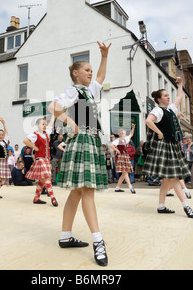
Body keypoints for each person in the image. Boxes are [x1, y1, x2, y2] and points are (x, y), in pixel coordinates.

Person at [48, 41, 111, 266]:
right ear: (76, 73)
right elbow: (52, 107)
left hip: (91, 139)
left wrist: (104, 56)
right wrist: (70, 122)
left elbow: (101, 78)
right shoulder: (73, 90)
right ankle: (98, 241)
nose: (91, 73)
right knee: (87, 191)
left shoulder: (90, 89)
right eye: (87, 70)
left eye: (91, 70)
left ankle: (65, 236)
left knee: (77, 191)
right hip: (82, 139)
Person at [143, 76, 193, 219]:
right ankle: (186, 206)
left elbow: (179, 96)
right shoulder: (158, 110)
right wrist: (159, 132)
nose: (168, 97)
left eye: (167, 95)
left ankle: (161, 206)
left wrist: (181, 84)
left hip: (172, 146)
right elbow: (148, 121)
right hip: (166, 147)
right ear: (159, 99)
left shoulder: (170, 109)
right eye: (165, 95)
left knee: (168, 180)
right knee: (173, 177)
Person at [24, 116, 58, 206]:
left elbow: (51, 123)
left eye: (45, 124)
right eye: (42, 124)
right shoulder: (35, 134)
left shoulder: (46, 133)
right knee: (47, 178)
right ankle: (53, 198)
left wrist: (54, 115)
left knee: (42, 180)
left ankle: (36, 198)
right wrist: (34, 147)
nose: (44, 126)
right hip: (40, 159)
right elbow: (25, 141)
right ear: (37, 125)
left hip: (46, 159)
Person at [109, 125, 136, 193]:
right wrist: (117, 150)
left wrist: (133, 128)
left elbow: (131, 134)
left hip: (125, 156)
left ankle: (117, 188)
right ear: (120, 134)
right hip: (121, 157)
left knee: (124, 174)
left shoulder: (125, 139)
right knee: (125, 172)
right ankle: (131, 187)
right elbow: (111, 145)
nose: (125, 134)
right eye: (124, 133)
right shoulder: (118, 140)